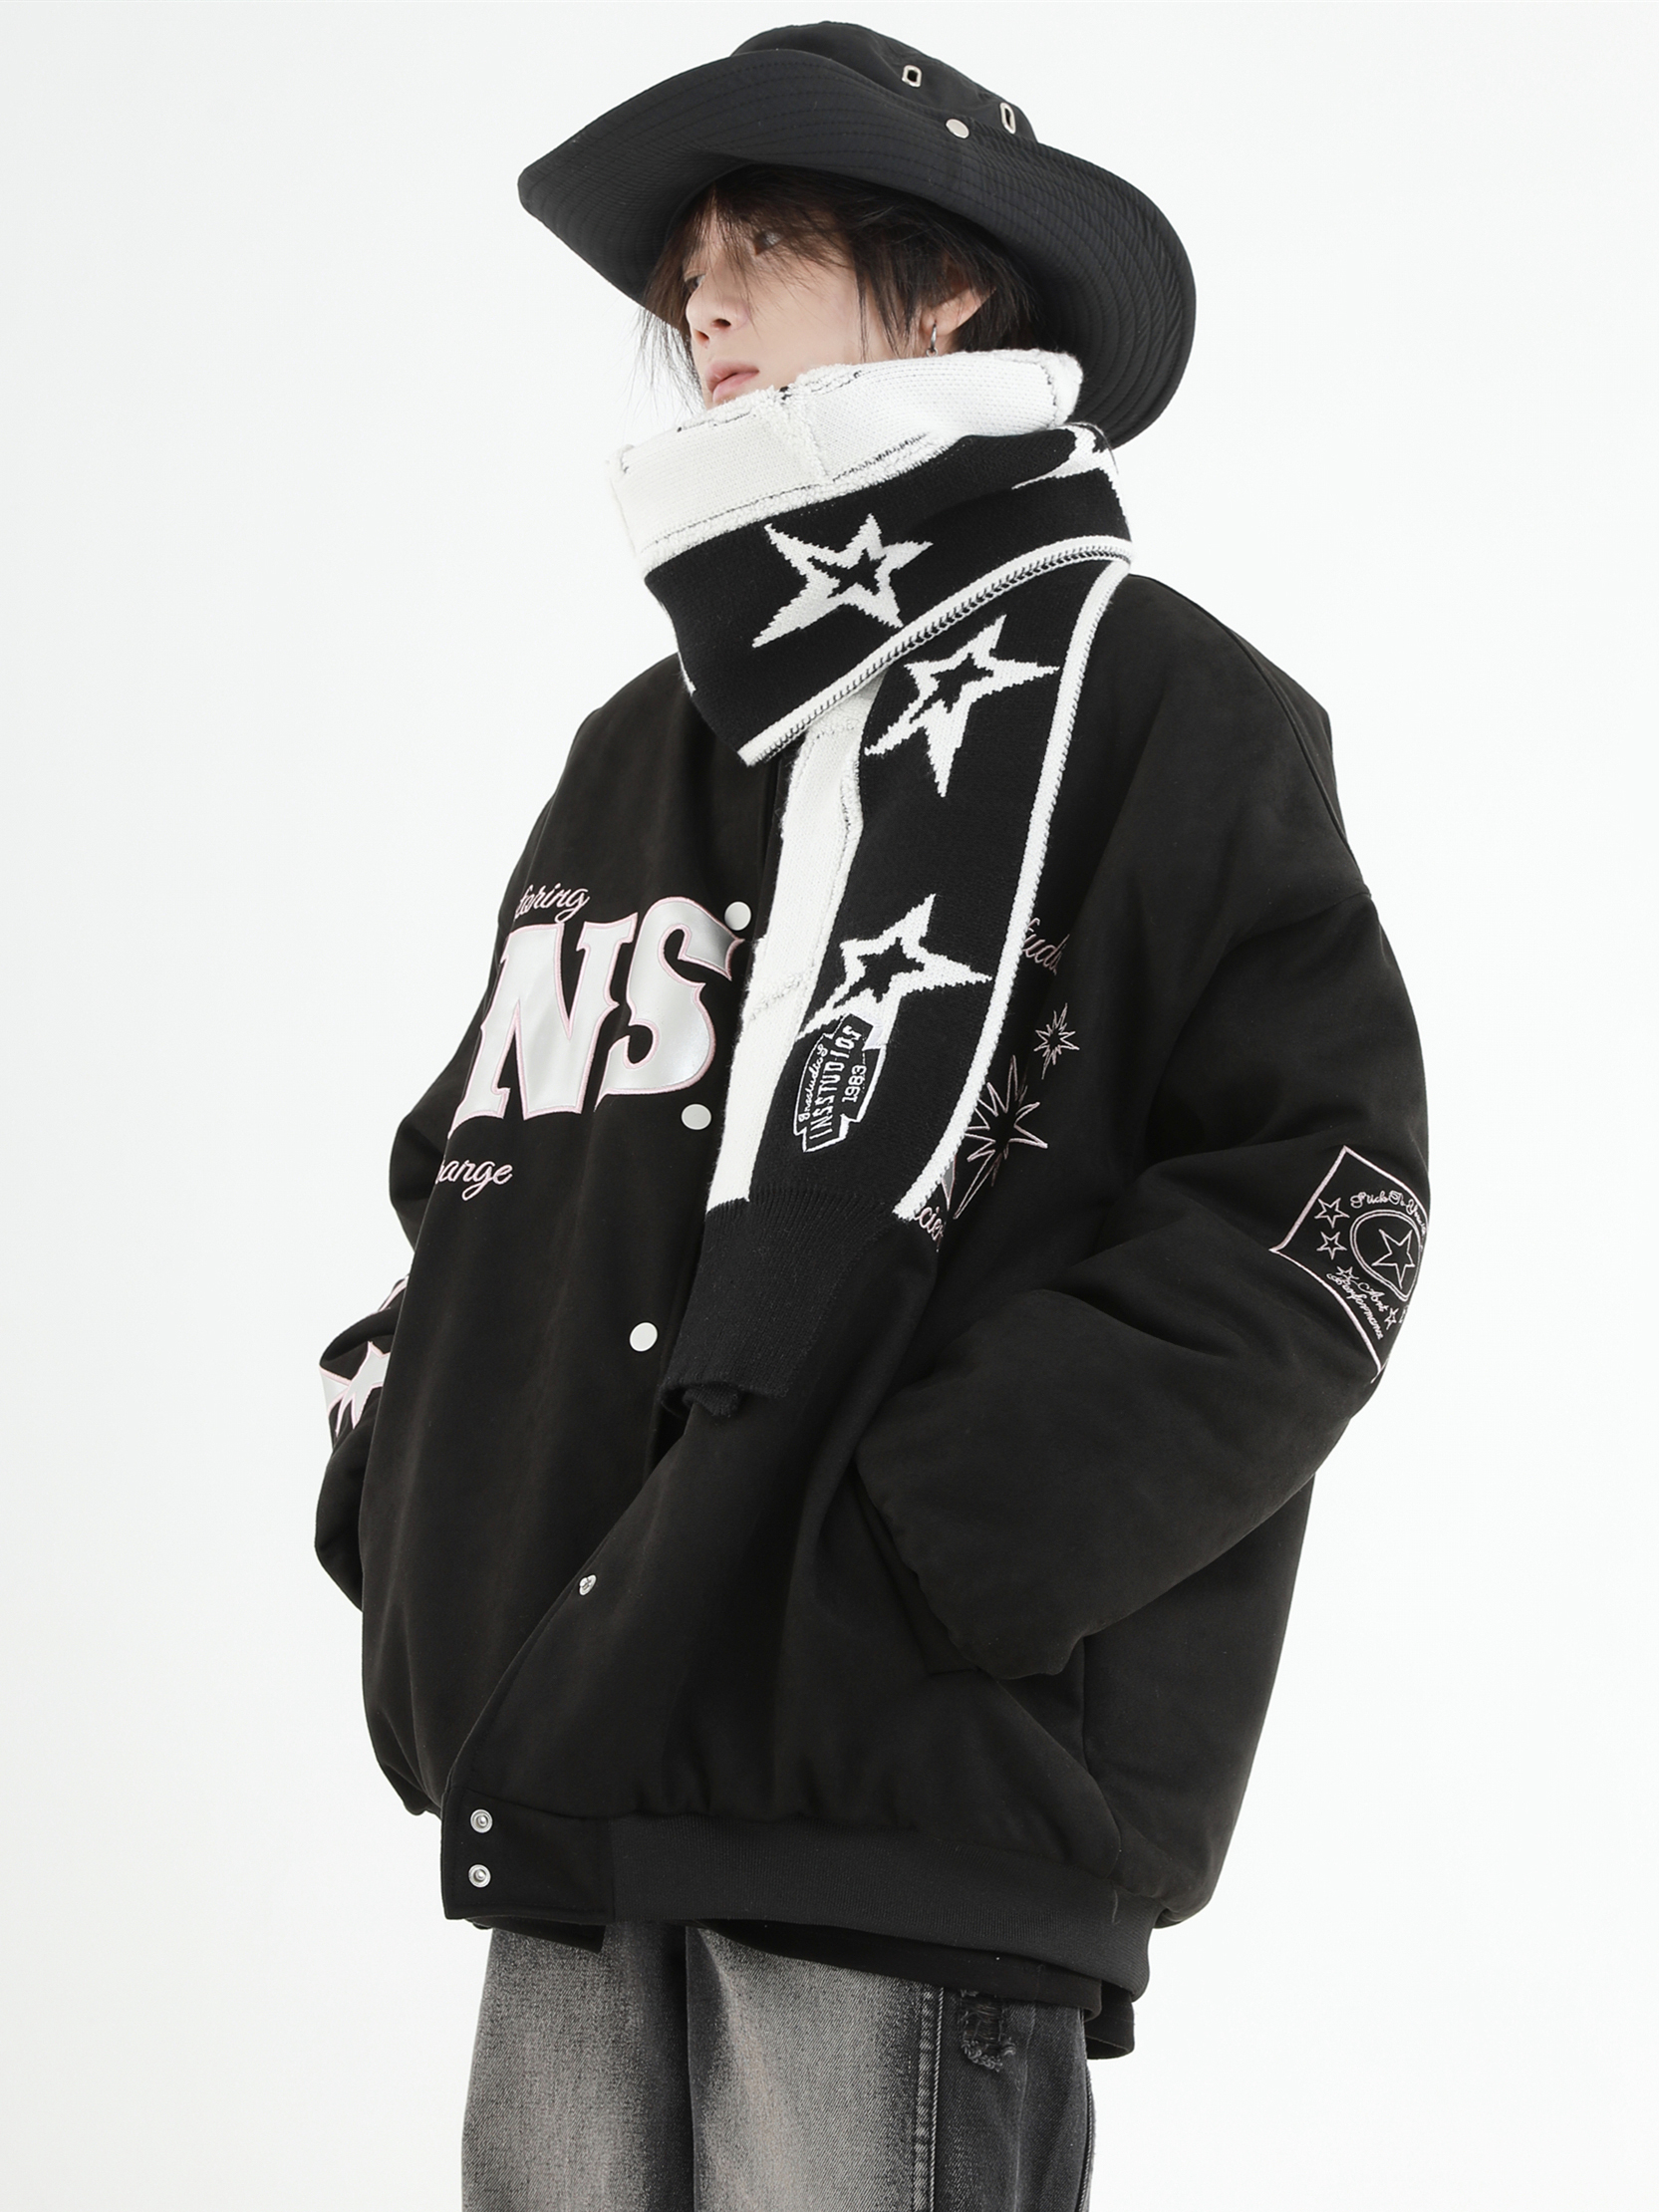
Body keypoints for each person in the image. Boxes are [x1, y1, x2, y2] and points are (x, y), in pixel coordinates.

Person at [316, 22, 1429, 2209]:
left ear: (949, 291)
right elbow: (481, 1156)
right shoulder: (643, 746)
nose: (701, 301)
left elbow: (1329, 1205)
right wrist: (411, 1488)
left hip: (907, 1793)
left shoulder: (1161, 701)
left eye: (767, 246)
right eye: (686, 273)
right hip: (569, 1773)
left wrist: (928, 1545)